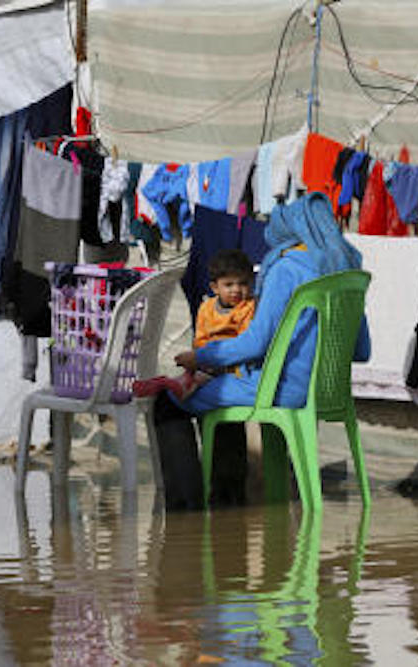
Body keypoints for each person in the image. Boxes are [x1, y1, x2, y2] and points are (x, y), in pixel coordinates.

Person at [154, 192, 370, 511]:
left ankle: (188, 511)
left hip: (282, 388)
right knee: (219, 393)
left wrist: (201, 357)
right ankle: (232, 500)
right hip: (327, 392)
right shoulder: (345, 271)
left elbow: (255, 344)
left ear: (289, 229)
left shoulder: (286, 268)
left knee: (169, 402)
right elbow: (362, 350)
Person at [133, 248, 256, 400]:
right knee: (191, 369)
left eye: (242, 284)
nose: (236, 290)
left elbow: (245, 342)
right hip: (208, 359)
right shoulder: (207, 307)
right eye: (229, 285)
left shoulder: (249, 307)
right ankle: (167, 383)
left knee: (200, 379)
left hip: (231, 364)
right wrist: (196, 357)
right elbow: (201, 338)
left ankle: (176, 384)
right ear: (215, 288)